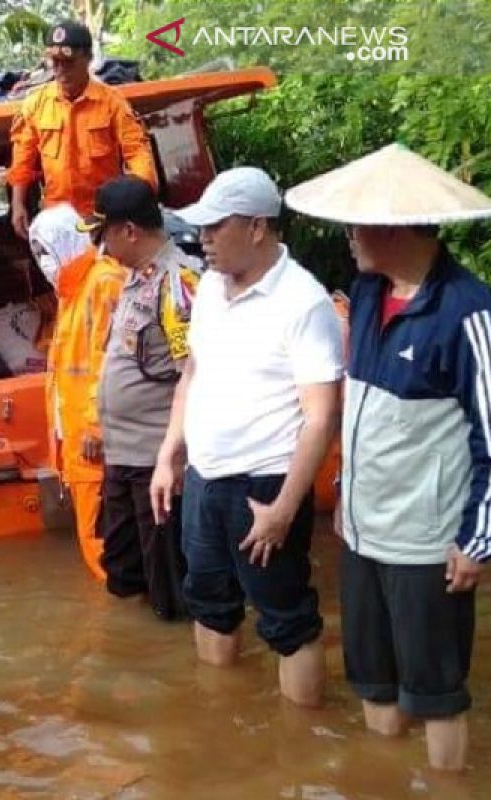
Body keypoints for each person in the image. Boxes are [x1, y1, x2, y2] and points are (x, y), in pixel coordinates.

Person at [285, 143, 491, 770]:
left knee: (437, 692)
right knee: (373, 678)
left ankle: (449, 783)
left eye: (357, 224)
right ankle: (384, 779)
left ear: (395, 227)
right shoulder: (368, 296)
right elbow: (362, 410)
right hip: (364, 530)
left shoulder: (469, 313)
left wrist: (479, 540)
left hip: (426, 542)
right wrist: (342, 492)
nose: (347, 237)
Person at [150, 168, 343, 707]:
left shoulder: (303, 302)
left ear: (258, 227)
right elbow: (193, 373)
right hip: (205, 475)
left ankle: (299, 750)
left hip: (265, 482)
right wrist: (170, 454)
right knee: (207, 601)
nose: (203, 239)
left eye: (215, 227)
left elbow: (321, 417)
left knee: (286, 619)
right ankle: (221, 721)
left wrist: (284, 507)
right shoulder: (209, 288)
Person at [79, 177, 200, 619]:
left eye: (103, 233)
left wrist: (175, 456)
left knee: (169, 590)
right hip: (122, 457)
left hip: (157, 461)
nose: (100, 245)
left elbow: (196, 373)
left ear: (129, 230)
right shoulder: (136, 280)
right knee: (123, 576)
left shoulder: (178, 283)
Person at [32, 203, 125, 581]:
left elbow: (111, 362)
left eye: (44, 251)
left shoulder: (102, 283)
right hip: (77, 445)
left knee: (107, 551)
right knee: (99, 546)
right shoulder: (70, 292)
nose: (42, 261)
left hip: (95, 443)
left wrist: (96, 426)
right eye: (36, 253)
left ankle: (121, 633)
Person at [7, 20, 157, 238]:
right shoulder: (35, 104)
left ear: (88, 59)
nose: (60, 70)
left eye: (68, 63)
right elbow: (22, 161)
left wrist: (137, 200)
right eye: (55, 62)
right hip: (57, 222)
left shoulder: (112, 103)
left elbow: (137, 153)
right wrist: (17, 204)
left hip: (103, 220)